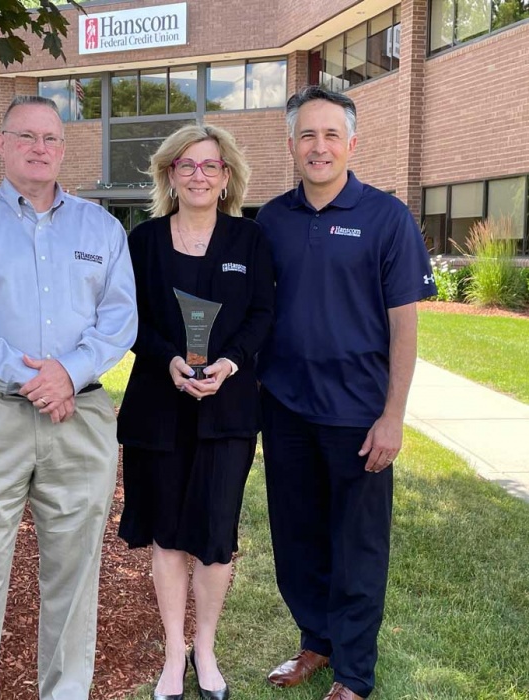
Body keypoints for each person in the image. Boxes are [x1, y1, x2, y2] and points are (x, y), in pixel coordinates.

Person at [0, 95, 137, 700]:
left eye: (51, 138)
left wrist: (68, 374)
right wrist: (32, 378)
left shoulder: (101, 227)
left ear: (64, 149)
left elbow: (120, 318)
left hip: (81, 418)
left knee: (74, 579)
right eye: (27, 137)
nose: (40, 149)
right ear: (1, 143)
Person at [256, 86, 437, 700]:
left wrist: (393, 416)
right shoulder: (272, 220)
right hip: (285, 410)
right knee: (297, 537)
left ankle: (355, 673)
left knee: (357, 547)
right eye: (307, 134)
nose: (319, 146)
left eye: (331, 134)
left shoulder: (386, 217)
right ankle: (316, 643)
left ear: (352, 143)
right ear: (291, 146)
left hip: (358, 415)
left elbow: (404, 323)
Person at [116, 124, 274, 700]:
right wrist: (169, 362)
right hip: (159, 406)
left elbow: (263, 315)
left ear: (227, 176)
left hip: (227, 410)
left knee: (214, 533)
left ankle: (205, 647)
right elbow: (128, 319)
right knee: (165, 534)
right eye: (187, 165)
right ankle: (172, 653)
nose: (199, 175)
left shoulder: (249, 241)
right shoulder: (145, 241)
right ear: (170, 174)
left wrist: (228, 363)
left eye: (211, 166)